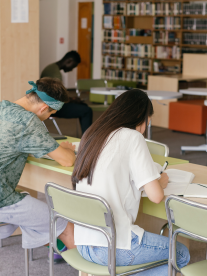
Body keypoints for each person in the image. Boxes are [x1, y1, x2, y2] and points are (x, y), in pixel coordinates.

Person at [72, 89, 190, 275]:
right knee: (182, 254)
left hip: (83, 243)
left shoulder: (93, 133)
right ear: (139, 117)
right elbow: (156, 196)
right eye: (146, 123)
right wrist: (160, 181)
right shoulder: (132, 137)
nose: (144, 130)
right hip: (113, 246)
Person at [0, 77, 76, 264]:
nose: (48, 118)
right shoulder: (29, 122)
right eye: (51, 114)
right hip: (2, 198)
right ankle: (90, 267)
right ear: (43, 109)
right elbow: (67, 160)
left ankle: (56, 246)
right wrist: (67, 149)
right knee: (66, 225)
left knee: (31, 206)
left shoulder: (3, 106)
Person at [41, 51, 93, 134]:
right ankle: (88, 140)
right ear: (69, 61)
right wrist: (72, 99)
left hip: (46, 104)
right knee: (87, 110)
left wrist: (72, 99)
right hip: (52, 107)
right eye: (73, 66)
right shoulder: (56, 74)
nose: (72, 69)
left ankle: (86, 137)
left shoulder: (51, 67)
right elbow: (58, 97)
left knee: (83, 106)